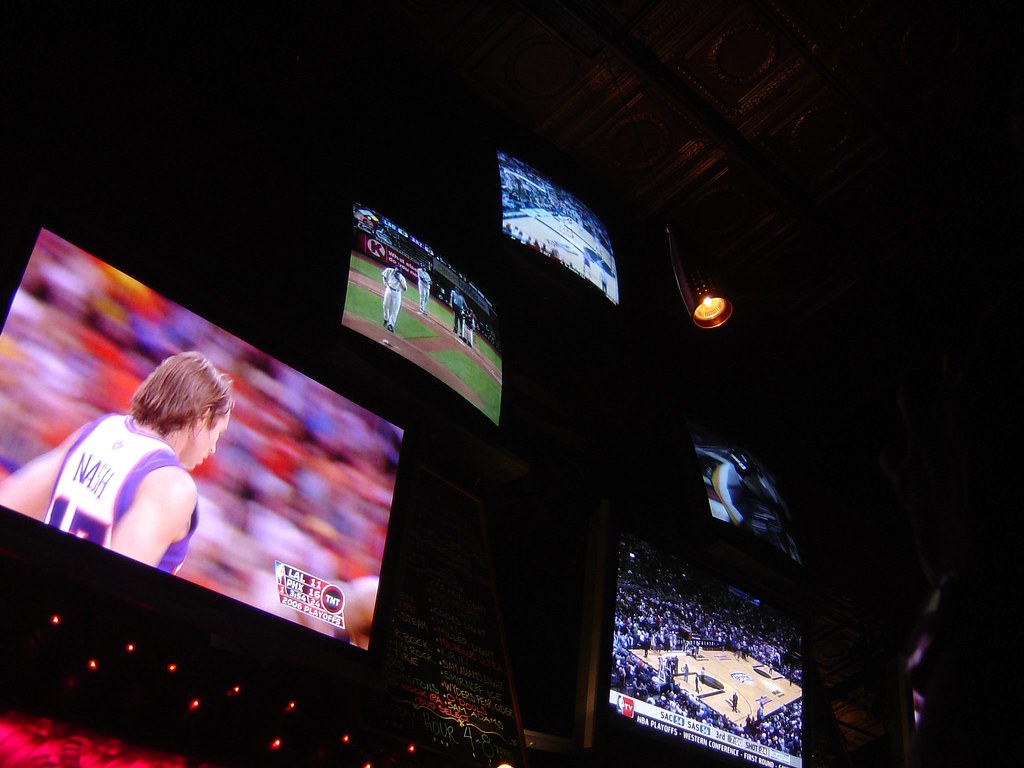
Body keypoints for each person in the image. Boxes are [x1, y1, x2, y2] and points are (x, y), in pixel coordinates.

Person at [0, 351, 233, 575]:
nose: (213, 448)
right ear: (203, 418)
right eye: (218, 434)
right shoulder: (172, 485)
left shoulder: (98, 430)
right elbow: (116, 582)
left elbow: (12, 501)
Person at [381, 264, 407, 332]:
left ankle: (391, 325)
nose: (398, 273)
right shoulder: (389, 270)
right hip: (389, 289)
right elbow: (384, 275)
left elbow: (404, 289)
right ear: (395, 269)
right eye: (397, 271)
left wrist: (399, 280)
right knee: (385, 305)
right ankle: (386, 319)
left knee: (395, 310)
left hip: (397, 293)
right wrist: (384, 282)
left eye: (399, 272)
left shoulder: (402, 278)